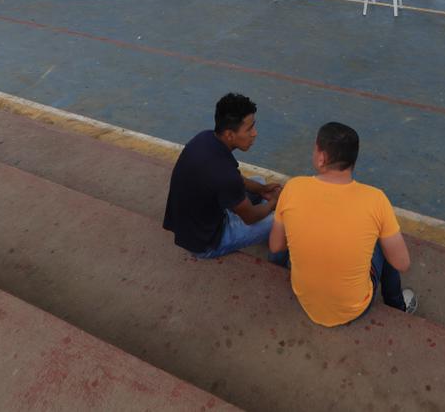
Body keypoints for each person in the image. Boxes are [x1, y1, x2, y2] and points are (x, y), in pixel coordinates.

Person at [270, 122, 416, 327]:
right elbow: (402, 263)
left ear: (321, 157)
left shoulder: (293, 187)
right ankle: (397, 305)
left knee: (288, 224)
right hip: (354, 308)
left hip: (304, 297)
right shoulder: (375, 199)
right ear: (352, 160)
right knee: (384, 242)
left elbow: (276, 246)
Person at [163, 92, 287, 264]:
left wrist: (262, 190)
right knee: (282, 219)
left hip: (192, 224)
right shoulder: (224, 175)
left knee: (258, 182)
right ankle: (277, 265)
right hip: (205, 243)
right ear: (229, 135)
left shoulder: (205, 138)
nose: (255, 133)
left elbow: (237, 179)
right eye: (249, 129)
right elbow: (249, 217)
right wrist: (274, 202)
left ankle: (267, 217)